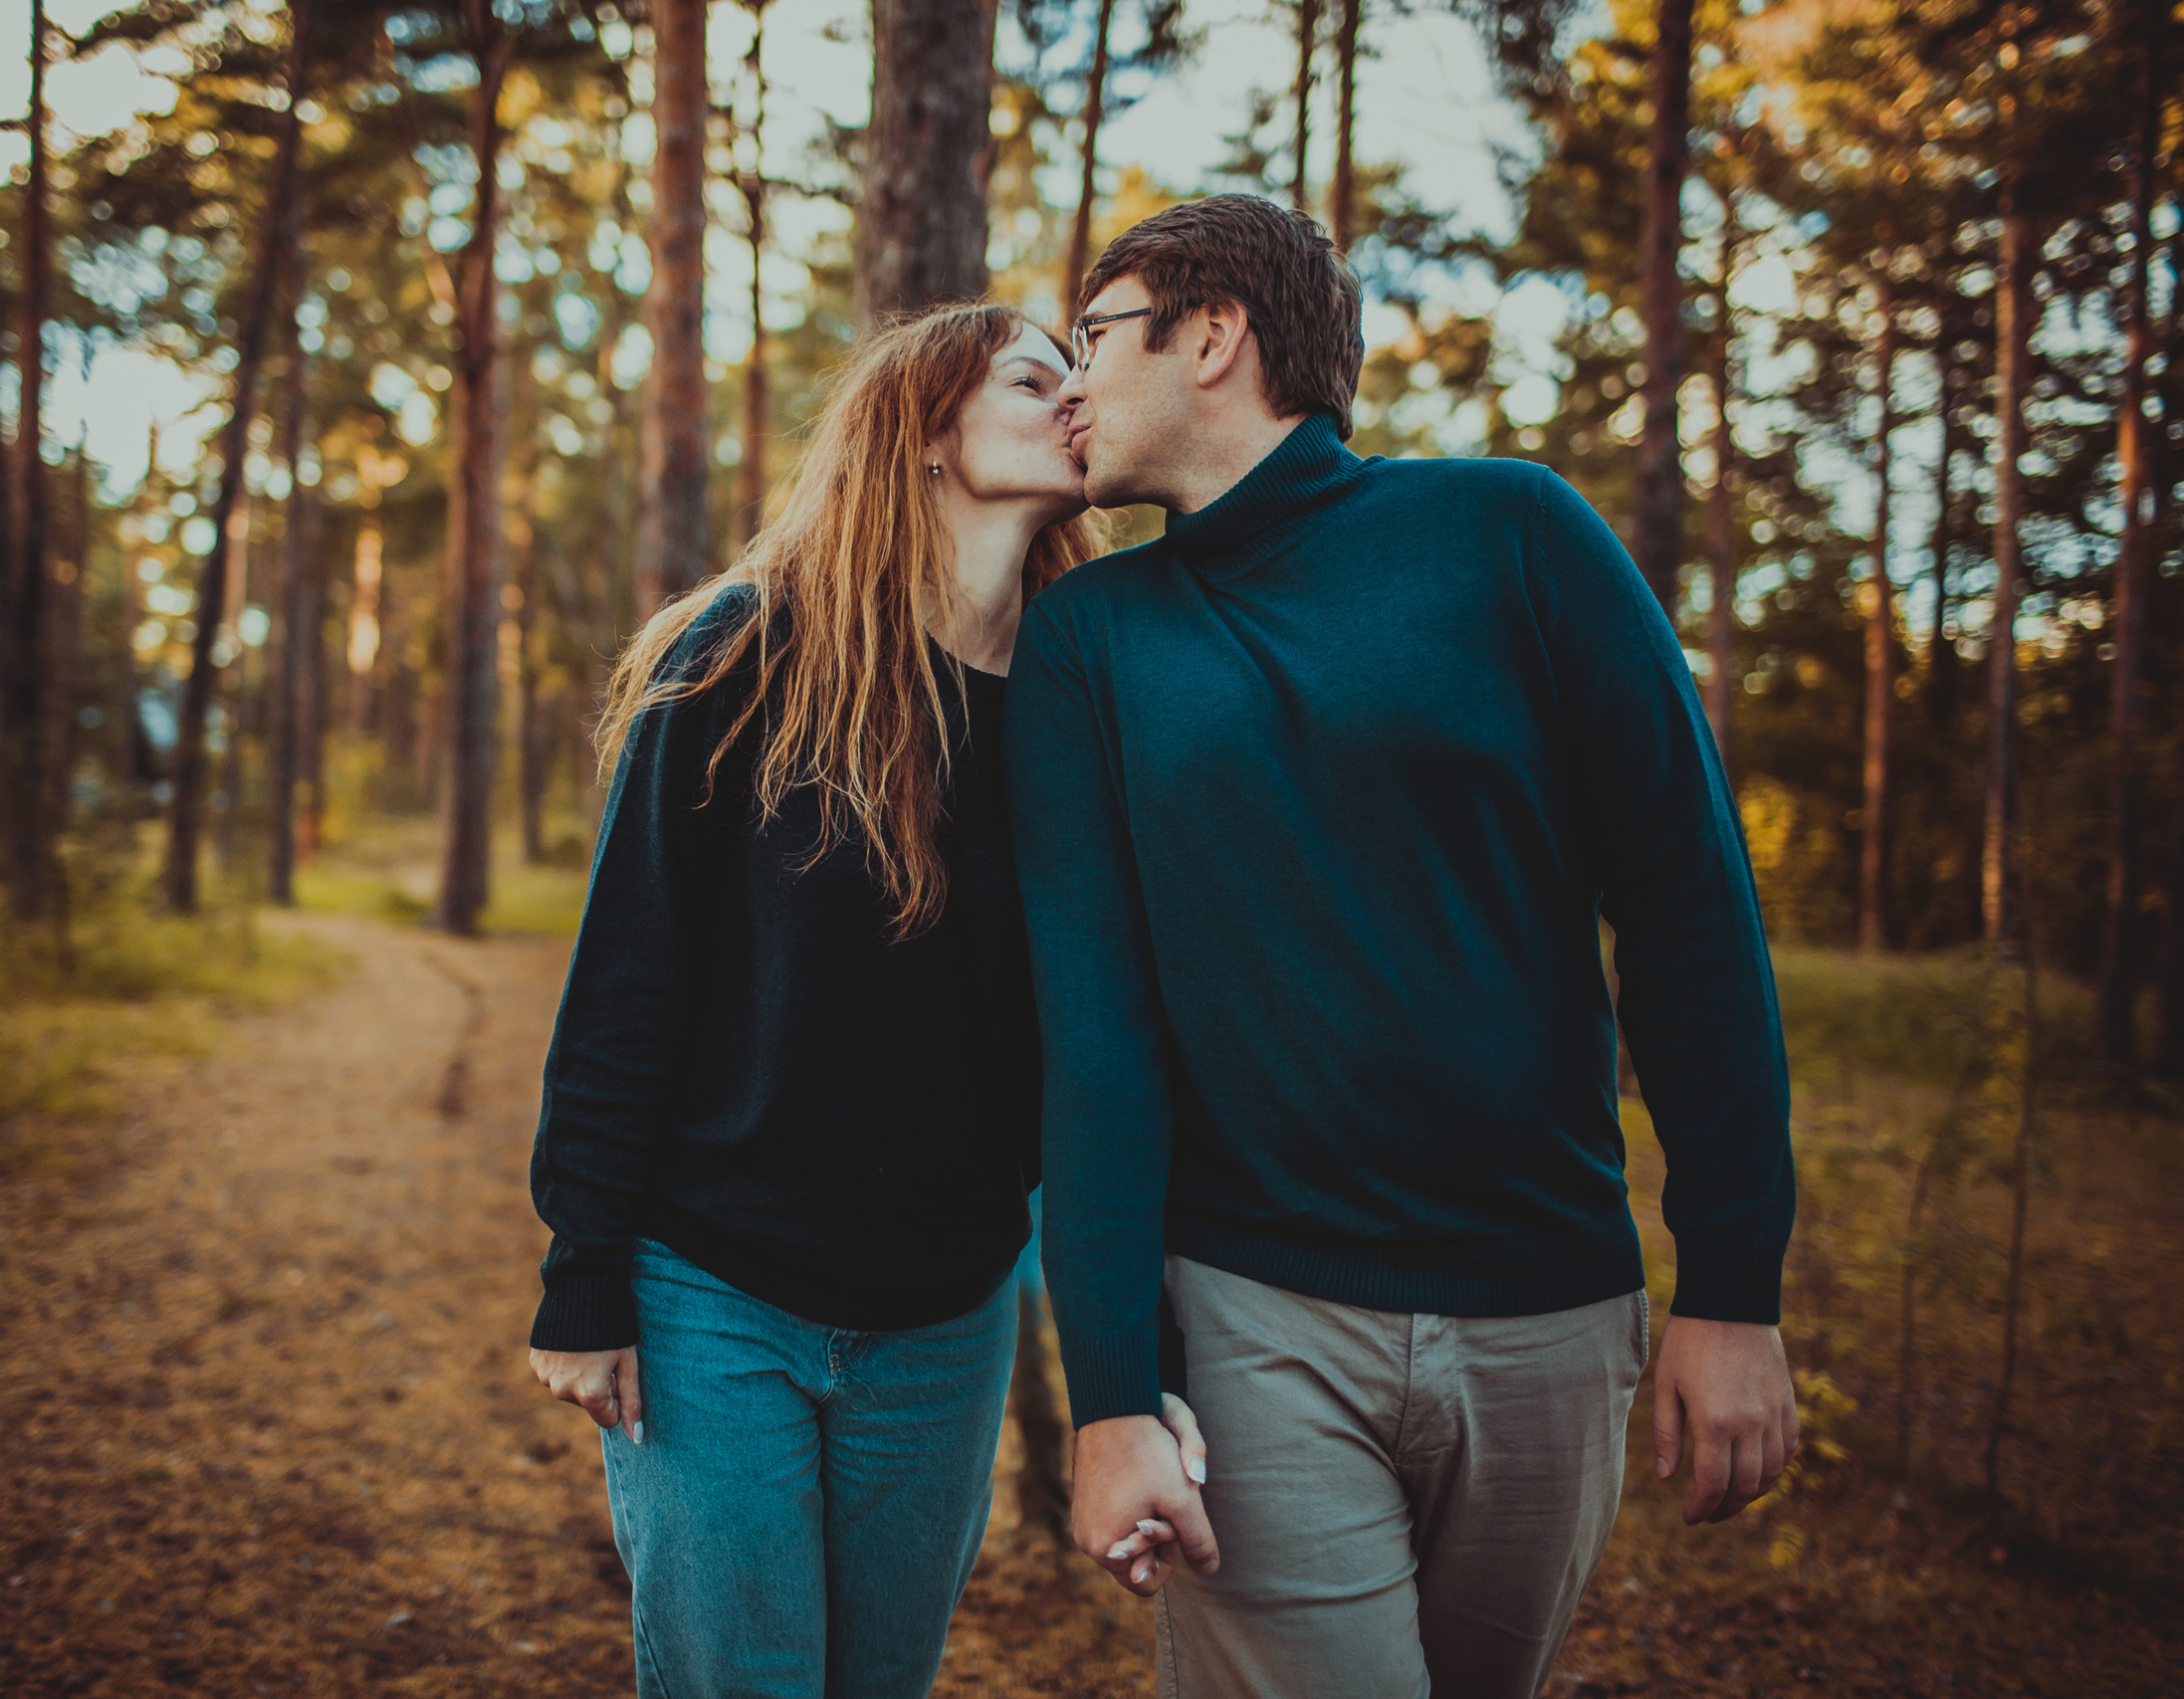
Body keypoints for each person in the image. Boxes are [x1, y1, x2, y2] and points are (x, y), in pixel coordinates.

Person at [1004, 194, 1801, 1698]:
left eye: (1093, 338)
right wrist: (1113, 1394)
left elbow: (1690, 906)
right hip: (1254, 1321)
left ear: (1213, 335)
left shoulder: (1515, 535)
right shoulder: (1090, 641)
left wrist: (1732, 1285)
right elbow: (1096, 1037)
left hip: (1553, 1311)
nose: (1071, 387)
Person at [524, 303, 1200, 1699]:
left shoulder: (1083, 694)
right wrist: (583, 1271)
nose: (1077, 399)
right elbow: (628, 980)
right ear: (926, 431)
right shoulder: (745, 652)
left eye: (1080, 376)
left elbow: (1112, 1048)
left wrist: (1145, 1353)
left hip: (946, 1314)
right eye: (1035, 378)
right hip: (714, 1294)